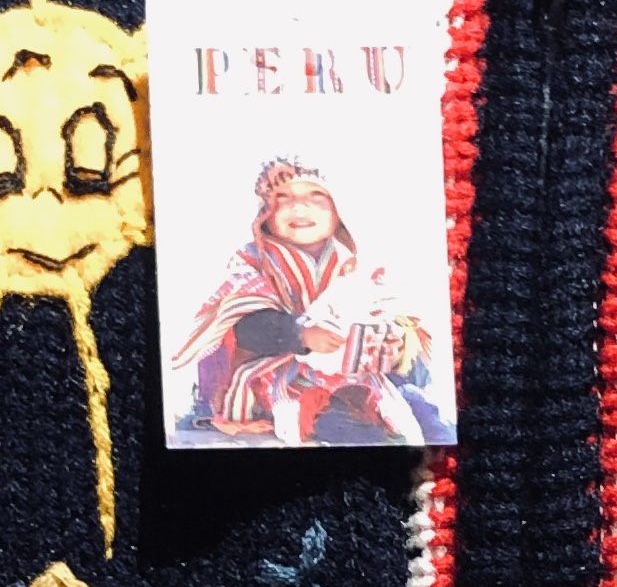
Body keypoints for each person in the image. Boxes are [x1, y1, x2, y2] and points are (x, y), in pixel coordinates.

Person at [173, 156, 445, 445]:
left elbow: (392, 312)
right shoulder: (255, 262)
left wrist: (394, 337)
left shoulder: (357, 265)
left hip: (358, 372)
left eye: (316, 197)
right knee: (336, 418)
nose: (299, 208)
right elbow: (244, 326)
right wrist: (300, 334)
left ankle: (433, 441)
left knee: (415, 404)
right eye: (283, 198)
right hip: (279, 373)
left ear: (340, 208)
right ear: (265, 212)